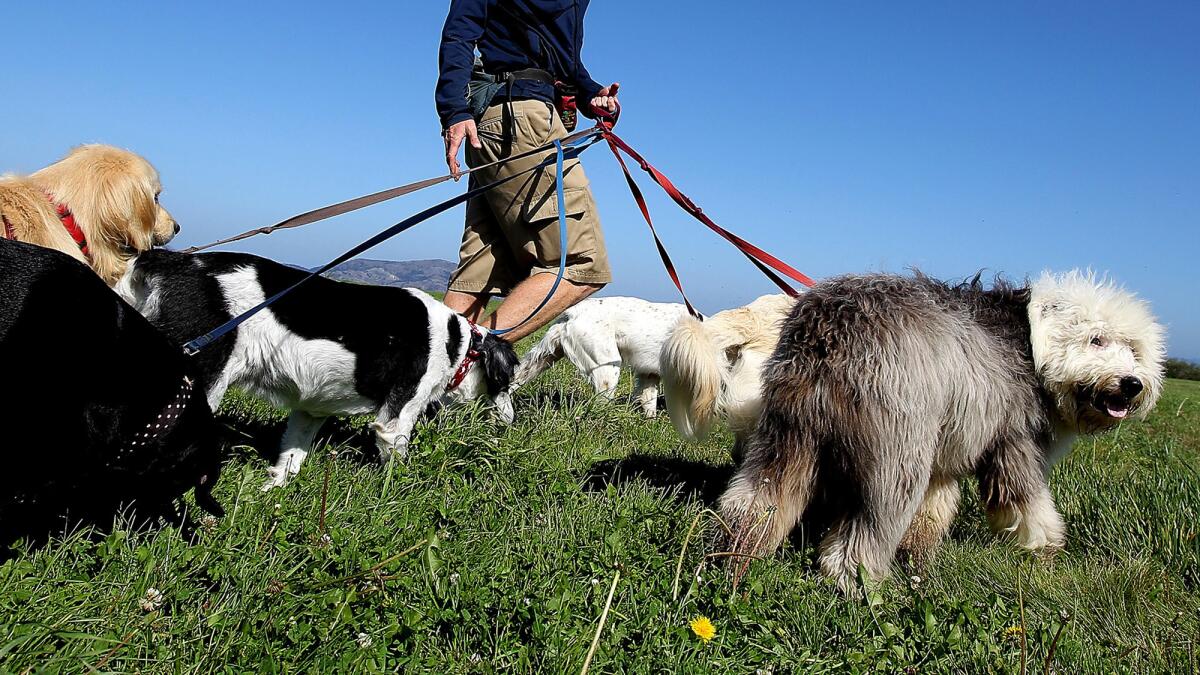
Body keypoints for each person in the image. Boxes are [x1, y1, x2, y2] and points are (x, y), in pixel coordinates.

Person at [436, 0, 619, 342]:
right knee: (581, 266)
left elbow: (562, 60)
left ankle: (421, 379)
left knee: (480, 271)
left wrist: (590, 94)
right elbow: (460, 35)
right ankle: (469, 362)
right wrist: (454, 109)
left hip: (493, 123)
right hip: (524, 122)